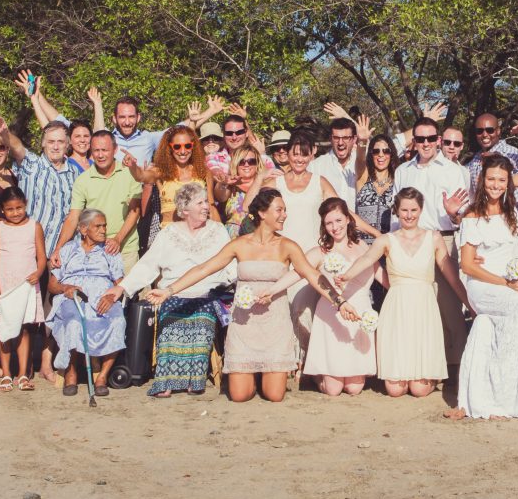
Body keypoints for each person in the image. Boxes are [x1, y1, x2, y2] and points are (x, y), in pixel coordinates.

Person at [145, 188, 355, 403]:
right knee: (239, 396)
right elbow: (203, 269)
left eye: (285, 210)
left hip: (274, 325)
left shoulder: (287, 246)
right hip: (244, 325)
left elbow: (313, 275)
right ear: (263, 213)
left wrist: (340, 302)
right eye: (279, 210)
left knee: (274, 396)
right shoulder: (240, 244)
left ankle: (267, 374)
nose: (285, 214)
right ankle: (249, 374)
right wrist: (169, 290)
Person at [99, 182, 234, 396]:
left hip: (208, 295)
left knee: (201, 323)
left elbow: (230, 265)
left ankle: (194, 381)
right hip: (173, 294)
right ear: (184, 209)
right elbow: (148, 264)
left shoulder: (217, 231)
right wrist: (122, 288)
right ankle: (167, 382)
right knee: (171, 321)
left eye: (206, 202)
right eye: (200, 203)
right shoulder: (168, 233)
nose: (206, 207)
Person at [336, 188, 470, 397]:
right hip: (397, 306)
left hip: (423, 305)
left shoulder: (433, 238)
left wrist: (469, 303)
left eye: (414, 210)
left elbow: (451, 276)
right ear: (397, 211)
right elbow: (366, 259)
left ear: (421, 210)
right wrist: (345, 275)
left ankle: (428, 375)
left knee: (418, 390)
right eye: (404, 210)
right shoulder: (386, 240)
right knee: (395, 390)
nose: (409, 215)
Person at [449, 156, 518, 421]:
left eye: (501, 180)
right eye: (491, 179)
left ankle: (510, 399)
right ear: (482, 180)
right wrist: (506, 283)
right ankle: (504, 399)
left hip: (509, 283)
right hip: (483, 286)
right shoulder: (472, 216)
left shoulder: (512, 214)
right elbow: (468, 266)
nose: (495, 185)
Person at [390, 115, 470, 367]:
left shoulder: (455, 171)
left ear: (438, 140)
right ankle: (422, 365)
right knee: (417, 309)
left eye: (430, 138)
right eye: (420, 139)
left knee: (449, 307)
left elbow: (462, 216)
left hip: (442, 241)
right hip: (408, 244)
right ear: (413, 141)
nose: (425, 144)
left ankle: (456, 366)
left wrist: (453, 213)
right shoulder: (402, 171)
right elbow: (397, 211)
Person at [259, 128, 338, 358]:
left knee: (304, 309)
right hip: (283, 253)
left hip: (312, 253)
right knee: (284, 307)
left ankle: (306, 358)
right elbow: (253, 210)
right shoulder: (277, 182)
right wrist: (259, 179)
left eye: (304, 154)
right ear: (287, 153)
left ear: (312, 154)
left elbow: (340, 211)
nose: (299, 159)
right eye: (295, 153)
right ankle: (290, 358)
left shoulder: (319, 181)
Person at [292, 198, 378, 395]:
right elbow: (298, 271)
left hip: (360, 312)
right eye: (329, 223)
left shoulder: (364, 246)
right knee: (333, 389)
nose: (335, 227)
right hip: (332, 314)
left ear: (348, 219)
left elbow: (378, 271)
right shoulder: (321, 252)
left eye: (338, 220)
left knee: (354, 388)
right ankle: (315, 373)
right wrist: (271, 290)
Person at [47, 209, 126, 396]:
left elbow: (120, 282)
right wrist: (65, 288)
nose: (103, 230)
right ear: (83, 229)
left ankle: (102, 377)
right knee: (74, 321)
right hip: (73, 296)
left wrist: (112, 296)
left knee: (118, 320)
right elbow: (52, 284)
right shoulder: (67, 250)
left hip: (103, 296)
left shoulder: (110, 250)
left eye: (104, 226)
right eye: (98, 226)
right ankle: (71, 371)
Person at [0, 114, 77, 260]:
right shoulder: (32, 165)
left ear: (68, 144)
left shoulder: (74, 173)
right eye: (51, 142)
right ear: (43, 143)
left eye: (60, 142)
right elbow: (17, 147)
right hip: (28, 252)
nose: (55, 146)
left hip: (60, 254)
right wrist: (4, 132)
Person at [0, 186, 46, 391]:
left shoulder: (35, 226)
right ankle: (6, 374)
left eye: (19, 208)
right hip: (5, 286)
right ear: (2, 209)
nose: (15, 213)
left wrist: (38, 273)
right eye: (10, 209)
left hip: (27, 286)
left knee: (24, 330)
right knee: (4, 329)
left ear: (25, 204)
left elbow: (41, 256)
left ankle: (22, 373)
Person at [56, 130, 142, 268]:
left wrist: (117, 239)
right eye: (96, 150)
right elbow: (73, 217)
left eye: (104, 150)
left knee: (126, 289)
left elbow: (135, 211)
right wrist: (58, 249)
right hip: (95, 250)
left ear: (115, 150)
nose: (100, 155)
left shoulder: (130, 173)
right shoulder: (82, 180)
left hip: (126, 249)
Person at [125, 125, 221, 238]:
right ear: (169, 148)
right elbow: (141, 176)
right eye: (177, 147)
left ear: (193, 147)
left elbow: (211, 206)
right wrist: (133, 166)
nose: (183, 151)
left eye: (187, 146)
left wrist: (221, 234)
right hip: (171, 237)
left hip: (200, 235)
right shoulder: (161, 172)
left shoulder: (203, 171)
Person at [311, 108, 372, 206]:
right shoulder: (315, 167)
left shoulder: (364, 161)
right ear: (331, 139)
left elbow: (385, 148)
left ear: (354, 139)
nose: (340, 143)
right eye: (336, 138)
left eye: (345, 138)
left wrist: (363, 140)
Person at [466, 111, 518, 209]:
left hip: (516, 210)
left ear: (498, 131)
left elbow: (509, 162)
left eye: (489, 130)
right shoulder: (475, 159)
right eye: (479, 131)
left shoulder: (510, 150)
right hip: (489, 214)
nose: (484, 134)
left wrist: (496, 157)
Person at [354, 134, 398, 239]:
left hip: (388, 247)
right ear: (371, 154)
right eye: (376, 151)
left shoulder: (398, 181)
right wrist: (363, 142)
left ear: (391, 154)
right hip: (362, 247)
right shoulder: (363, 177)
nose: (381, 155)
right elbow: (360, 159)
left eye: (386, 151)